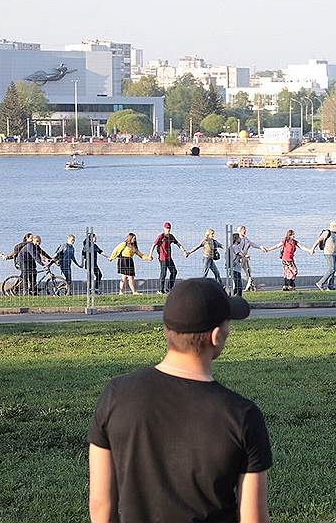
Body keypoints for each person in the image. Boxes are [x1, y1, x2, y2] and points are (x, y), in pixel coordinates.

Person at [88, 279, 271, 523]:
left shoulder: (115, 395)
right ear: (216, 336)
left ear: (166, 329)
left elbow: (100, 506)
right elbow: (253, 519)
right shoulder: (242, 415)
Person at [310, 221, 336, 291]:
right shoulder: (327, 232)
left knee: (333, 270)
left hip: (333, 254)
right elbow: (318, 240)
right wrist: (312, 249)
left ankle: (330, 286)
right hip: (328, 253)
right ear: (332, 226)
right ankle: (320, 283)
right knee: (331, 269)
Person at [149, 222, 187, 295]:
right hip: (162, 258)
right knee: (163, 273)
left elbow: (178, 244)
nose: (168, 229)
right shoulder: (161, 236)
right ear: (164, 228)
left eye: (169, 228)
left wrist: (184, 251)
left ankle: (169, 288)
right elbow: (153, 245)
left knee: (174, 272)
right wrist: (150, 254)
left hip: (169, 258)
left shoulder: (171, 236)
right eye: (167, 228)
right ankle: (160, 290)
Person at [237, 226, 264, 291]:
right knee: (238, 272)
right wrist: (243, 255)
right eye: (243, 230)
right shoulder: (238, 239)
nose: (245, 231)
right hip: (239, 258)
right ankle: (237, 287)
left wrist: (260, 247)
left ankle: (249, 286)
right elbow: (237, 249)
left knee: (248, 272)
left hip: (245, 258)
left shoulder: (246, 239)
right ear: (239, 231)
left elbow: (251, 244)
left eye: (245, 230)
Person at [230, 233, 244, 297]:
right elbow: (239, 254)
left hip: (235, 268)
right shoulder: (235, 246)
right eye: (239, 238)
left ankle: (230, 296)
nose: (240, 239)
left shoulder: (234, 246)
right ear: (236, 239)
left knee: (237, 286)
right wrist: (245, 255)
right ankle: (239, 299)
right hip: (235, 269)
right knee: (239, 286)